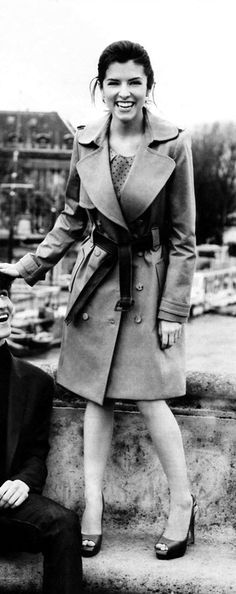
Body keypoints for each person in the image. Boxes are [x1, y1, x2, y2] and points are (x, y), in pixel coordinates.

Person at [0, 40, 197, 561]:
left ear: (148, 86)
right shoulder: (85, 140)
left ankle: (182, 505)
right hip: (95, 282)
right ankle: (92, 507)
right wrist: (25, 269)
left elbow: (182, 239)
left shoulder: (175, 144)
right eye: (114, 82)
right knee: (94, 398)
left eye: (134, 82)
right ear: (101, 87)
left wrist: (174, 310)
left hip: (147, 286)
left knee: (152, 400)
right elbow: (72, 218)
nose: (124, 92)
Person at [0, 272, 82, 592]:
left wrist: (22, 482)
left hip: (7, 508)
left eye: (5, 293)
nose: (3, 303)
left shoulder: (36, 382)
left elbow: (36, 452)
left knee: (63, 524)